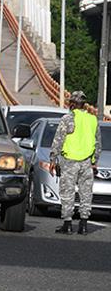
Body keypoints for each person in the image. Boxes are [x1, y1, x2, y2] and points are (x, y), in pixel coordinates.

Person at [49, 91, 101, 235]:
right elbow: (98, 143)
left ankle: (68, 223)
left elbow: (58, 140)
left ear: (71, 104)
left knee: (67, 192)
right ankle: (83, 225)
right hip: (86, 162)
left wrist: (53, 158)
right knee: (86, 194)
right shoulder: (92, 119)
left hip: (70, 161)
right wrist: (94, 161)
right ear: (84, 104)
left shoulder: (67, 119)